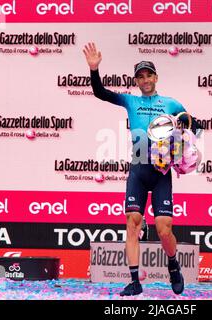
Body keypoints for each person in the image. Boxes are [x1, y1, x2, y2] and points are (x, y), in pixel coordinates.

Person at [83, 42, 198, 296]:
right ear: (136, 81)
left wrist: (185, 131)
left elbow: (194, 124)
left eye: (148, 75)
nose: (145, 80)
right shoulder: (130, 101)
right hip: (137, 170)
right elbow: (101, 93)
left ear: (156, 77)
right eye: (140, 76)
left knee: (163, 228)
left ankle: (173, 265)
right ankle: (135, 281)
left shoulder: (170, 103)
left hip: (161, 174)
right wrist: (94, 70)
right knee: (132, 223)